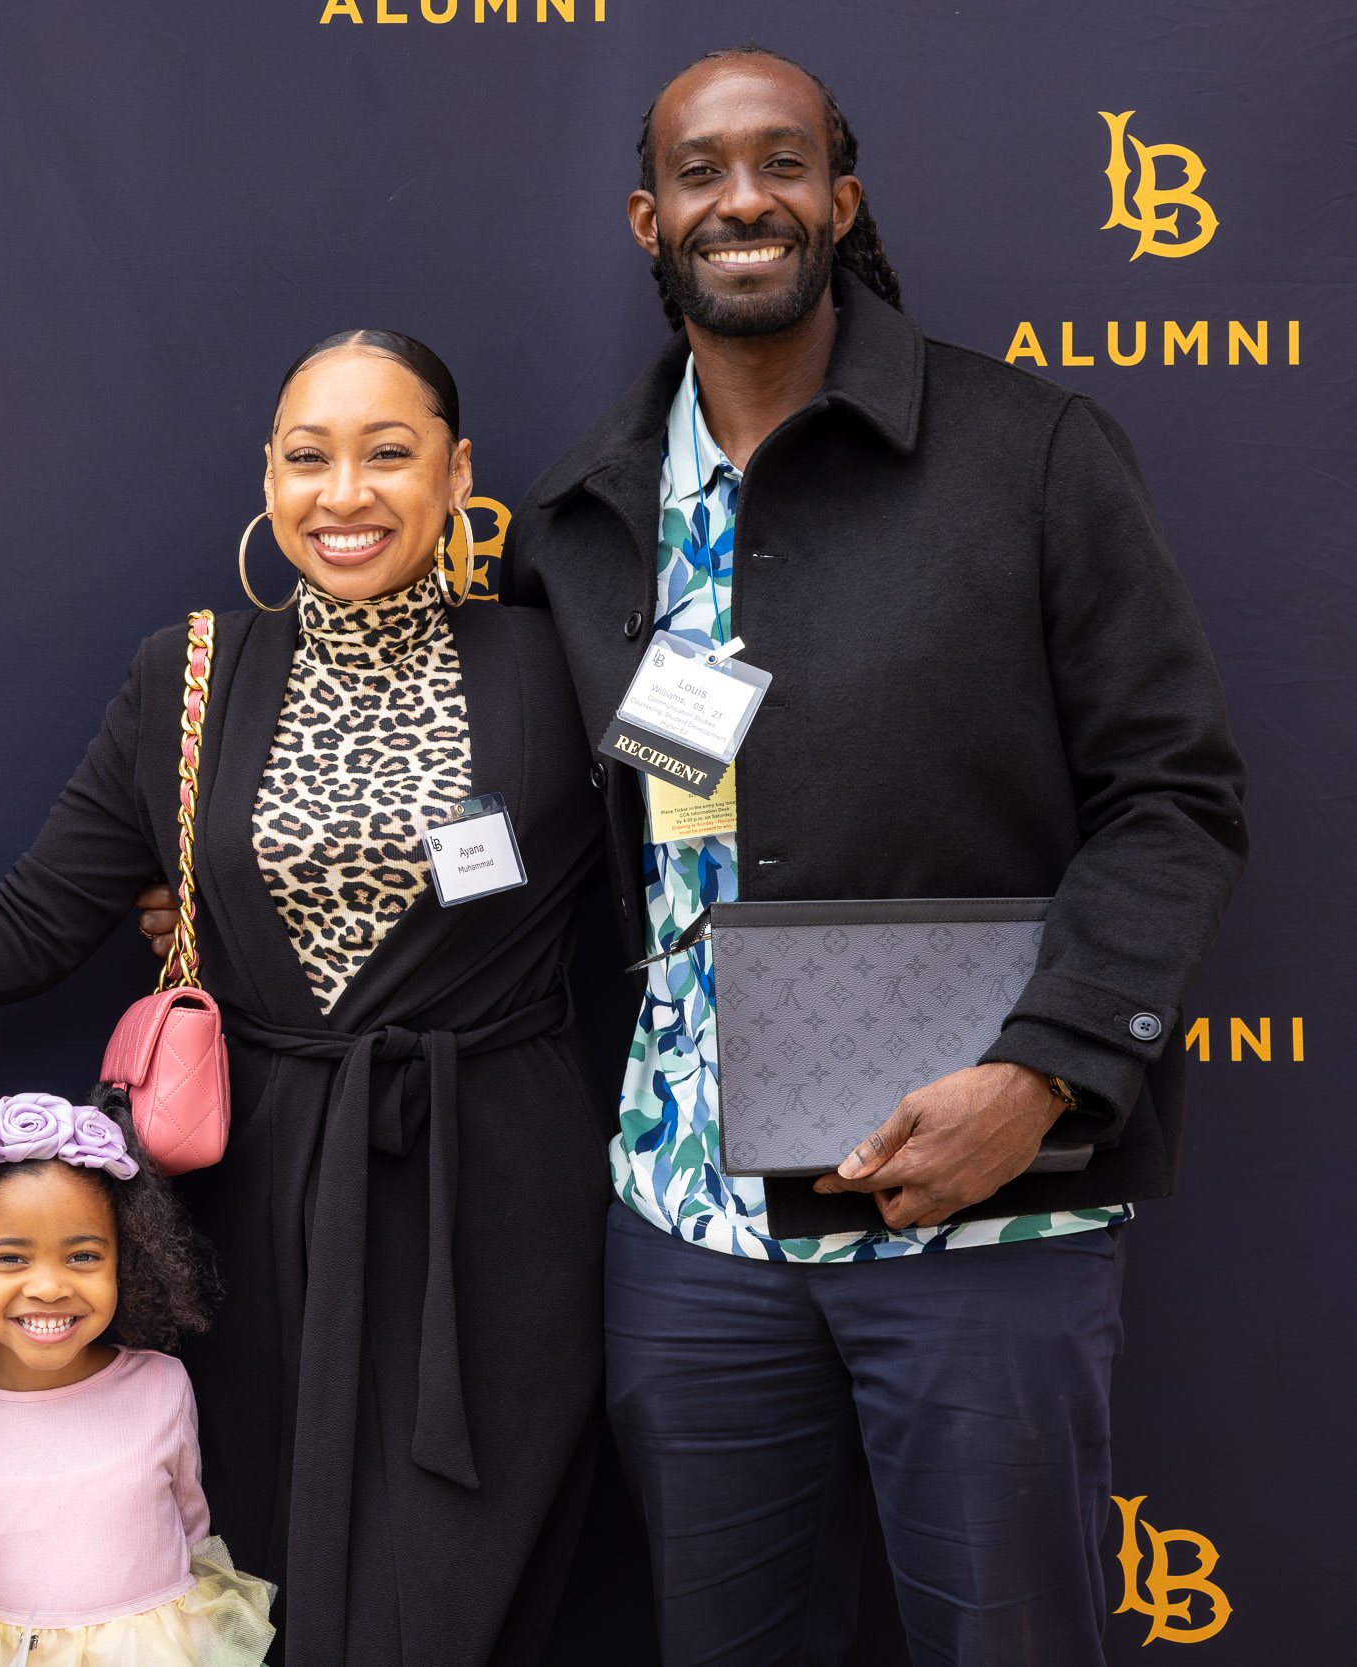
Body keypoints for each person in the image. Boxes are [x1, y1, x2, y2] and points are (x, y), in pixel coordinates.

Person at [503, 48, 1248, 1665]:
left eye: (785, 164)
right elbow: (529, 815)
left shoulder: (1030, 452)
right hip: (687, 1220)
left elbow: (1174, 794)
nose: (744, 199)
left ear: (842, 201)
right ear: (650, 217)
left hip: (986, 1209)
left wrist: (1045, 1073)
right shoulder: (579, 519)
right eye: (703, 171)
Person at [0, 332, 609, 1666]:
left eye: (389, 452)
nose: (345, 491)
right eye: (309, 456)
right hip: (253, 1202)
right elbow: (40, 917)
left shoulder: (553, 663)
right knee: (260, 1569)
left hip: (496, 1193)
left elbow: (710, 831)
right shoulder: (195, 671)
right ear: (268, 477)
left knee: (461, 1580)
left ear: (458, 472)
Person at [0, 1088, 275, 1666]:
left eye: (82, 1257)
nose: (49, 1287)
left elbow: (192, 1526)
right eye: (9, 1258)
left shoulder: (161, 1386)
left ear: (127, 1258)